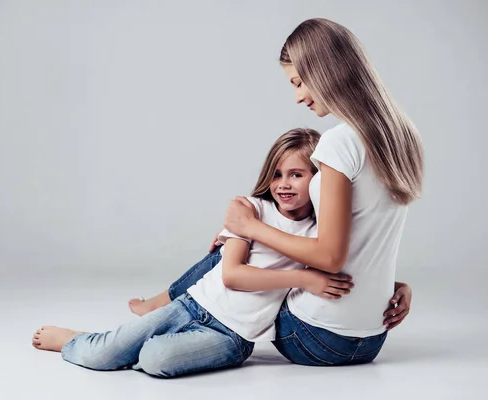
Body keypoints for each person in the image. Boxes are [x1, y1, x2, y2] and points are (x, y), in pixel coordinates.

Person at [131, 17, 421, 364]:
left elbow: (330, 257)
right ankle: (161, 308)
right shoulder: (403, 136)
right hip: (372, 337)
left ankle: (158, 316)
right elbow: (367, 239)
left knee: (236, 249)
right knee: (251, 237)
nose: (298, 97)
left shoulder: (339, 143)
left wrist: (248, 228)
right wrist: (392, 287)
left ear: (325, 71)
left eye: (299, 82)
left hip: (312, 335)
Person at [33, 128, 355, 377]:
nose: (283, 184)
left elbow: (358, 261)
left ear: (317, 181)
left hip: (233, 337)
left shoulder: (320, 233)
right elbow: (231, 276)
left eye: (296, 175)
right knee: (102, 356)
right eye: (277, 174)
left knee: (155, 359)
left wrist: (400, 288)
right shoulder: (252, 209)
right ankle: (83, 341)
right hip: (192, 304)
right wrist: (303, 278)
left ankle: (119, 344)